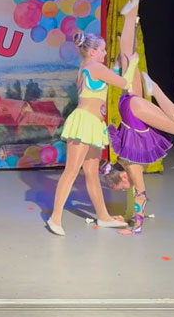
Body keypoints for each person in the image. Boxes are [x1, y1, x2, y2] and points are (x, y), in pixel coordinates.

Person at [103, 0, 174, 235]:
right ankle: (132, 11)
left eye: (121, 188)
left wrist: (135, 227)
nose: (125, 189)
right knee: (127, 56)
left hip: (135, 110)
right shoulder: (122, 161)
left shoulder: (131, 167)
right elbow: (134, 193)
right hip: (127, 106)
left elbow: (140, 194)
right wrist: (127, 216)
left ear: (122, 177)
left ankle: (157, 90)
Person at [46, 32, 134, 235]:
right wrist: (134, 62)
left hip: (94, 124)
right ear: (92, 52)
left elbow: (111, 74)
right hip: (84, 122)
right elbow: (124, 83)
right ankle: (55, 217)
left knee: (92, 172)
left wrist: (120, 58)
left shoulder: (90, 67)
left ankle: (103, 216)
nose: (105, 53)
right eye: (102, 50)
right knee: (71, 171)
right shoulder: (93, 67)